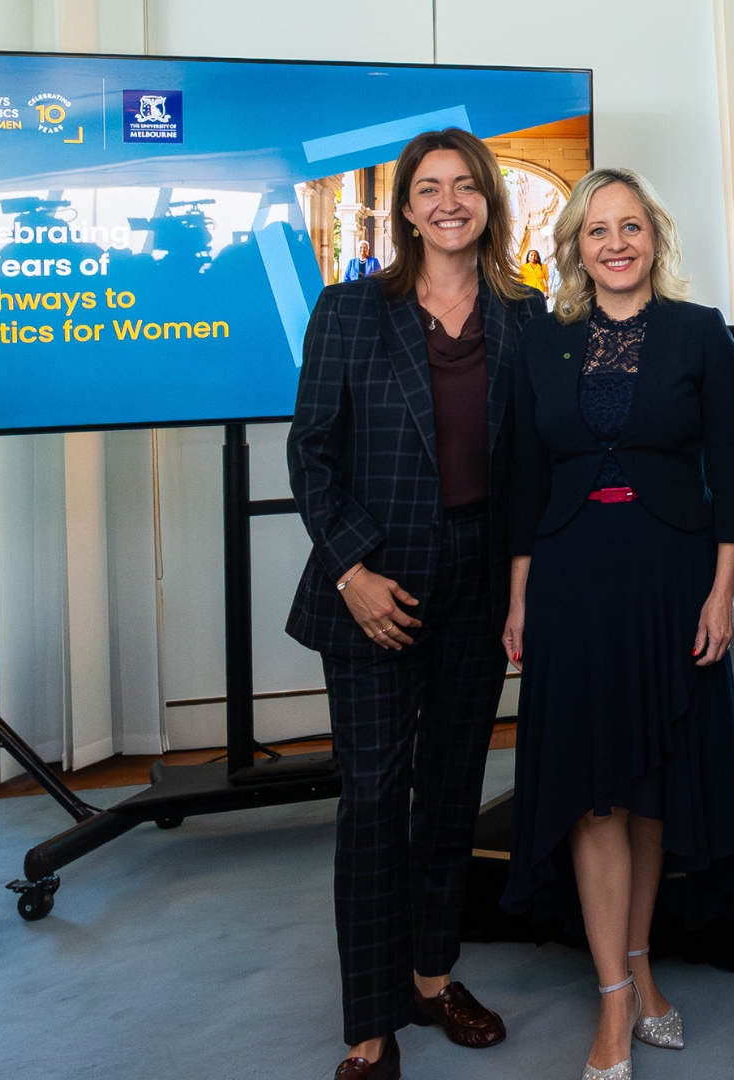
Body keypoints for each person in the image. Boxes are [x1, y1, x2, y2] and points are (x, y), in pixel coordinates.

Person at [286, 127, 545, 1080]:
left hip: (478, 583)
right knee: (370, 804)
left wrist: (524, 587)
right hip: (374, 587)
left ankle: (433, 979)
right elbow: (309, 451)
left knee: (448, 795)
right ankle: (370, 1022)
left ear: (487, 201)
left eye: (465, 186)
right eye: (429, 188)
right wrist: (352, 570)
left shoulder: (525, 315)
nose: (448, 202)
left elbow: (529, 467)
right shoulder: (351, 309)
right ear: (404, 208)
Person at [501, 167, 734, 1080]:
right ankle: (614, 1001)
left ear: (655, 237)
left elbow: (732, 474)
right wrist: (521, 597)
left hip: (671, 577)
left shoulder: (698, 333)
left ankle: (641, 965)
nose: (616, 243)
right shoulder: (543, 340)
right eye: (598, 229)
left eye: (632, 227)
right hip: (572, 579)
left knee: (650, 786)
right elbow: (527, 481)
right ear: (575, 245)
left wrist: (724, 589)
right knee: (591, 786)